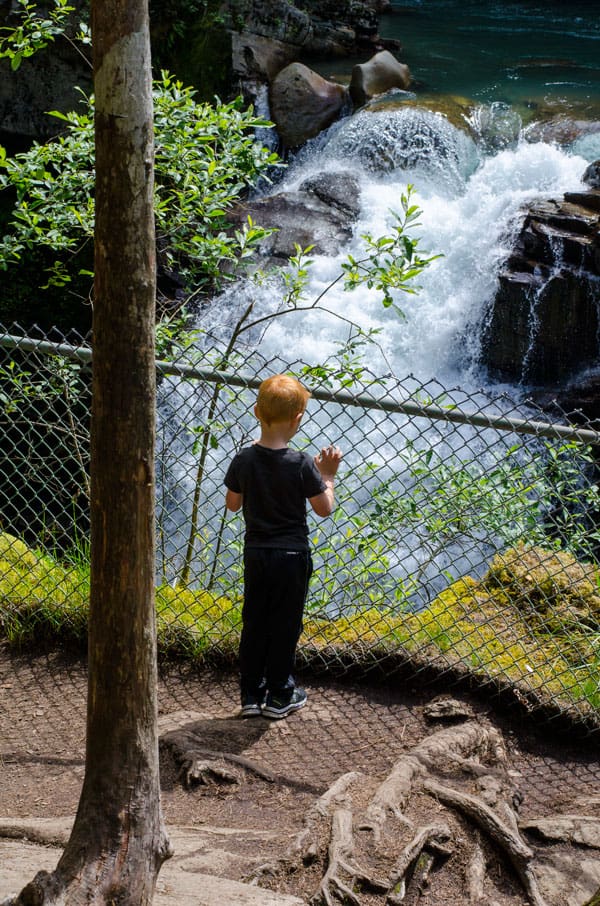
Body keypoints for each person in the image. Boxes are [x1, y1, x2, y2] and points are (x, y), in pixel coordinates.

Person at [224, 373, 342, 720]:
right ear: (298, 419)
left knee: (255, 621)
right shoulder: (303, 463)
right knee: (286, 624)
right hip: (292, 557)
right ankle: (280, 695)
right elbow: (324, 509)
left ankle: (250, 694)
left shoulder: (244, 460)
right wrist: (328, 477)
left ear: (257, 411)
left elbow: (233, 504)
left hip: (257, 554)